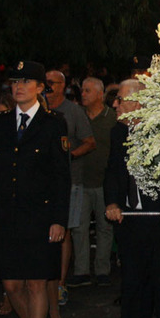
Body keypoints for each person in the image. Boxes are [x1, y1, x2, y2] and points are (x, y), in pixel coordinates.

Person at [0, 61, 70, 318]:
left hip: (40, 215)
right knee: (10, 284)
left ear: (39, 88)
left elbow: (61, 176)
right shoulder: (3, 121)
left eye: (27, 81)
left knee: (36, 282)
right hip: (8, 214)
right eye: (15, 81)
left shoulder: (53, 123)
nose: (18, 87)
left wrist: (58, 219)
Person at [104, 79, 160, 318]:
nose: (116, 105)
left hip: (158, 222)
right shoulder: (118, 132)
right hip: (130, 222)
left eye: (120, 99)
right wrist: (111, 202)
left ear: (137, 103)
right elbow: (112, 171)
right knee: (130, 287)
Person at [45, 70, 95, 302]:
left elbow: (89, 142)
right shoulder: (39, 111)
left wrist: (69, 157)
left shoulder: (73, 112)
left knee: (64, 231)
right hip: (42, 183)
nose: (47, 87)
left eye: (51, 83)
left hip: (70, 181)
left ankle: (61, 283)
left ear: (62, 86)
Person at [71, 77, 116, 286]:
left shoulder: (111, 118)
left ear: (100, 94)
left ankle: (102, 270)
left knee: (104, 227)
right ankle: (81, 270)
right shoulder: (78, 117)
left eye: (88, 91)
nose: (83, 94)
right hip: (80, 180)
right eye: (82, 91)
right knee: (79, 227)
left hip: (104, 180)